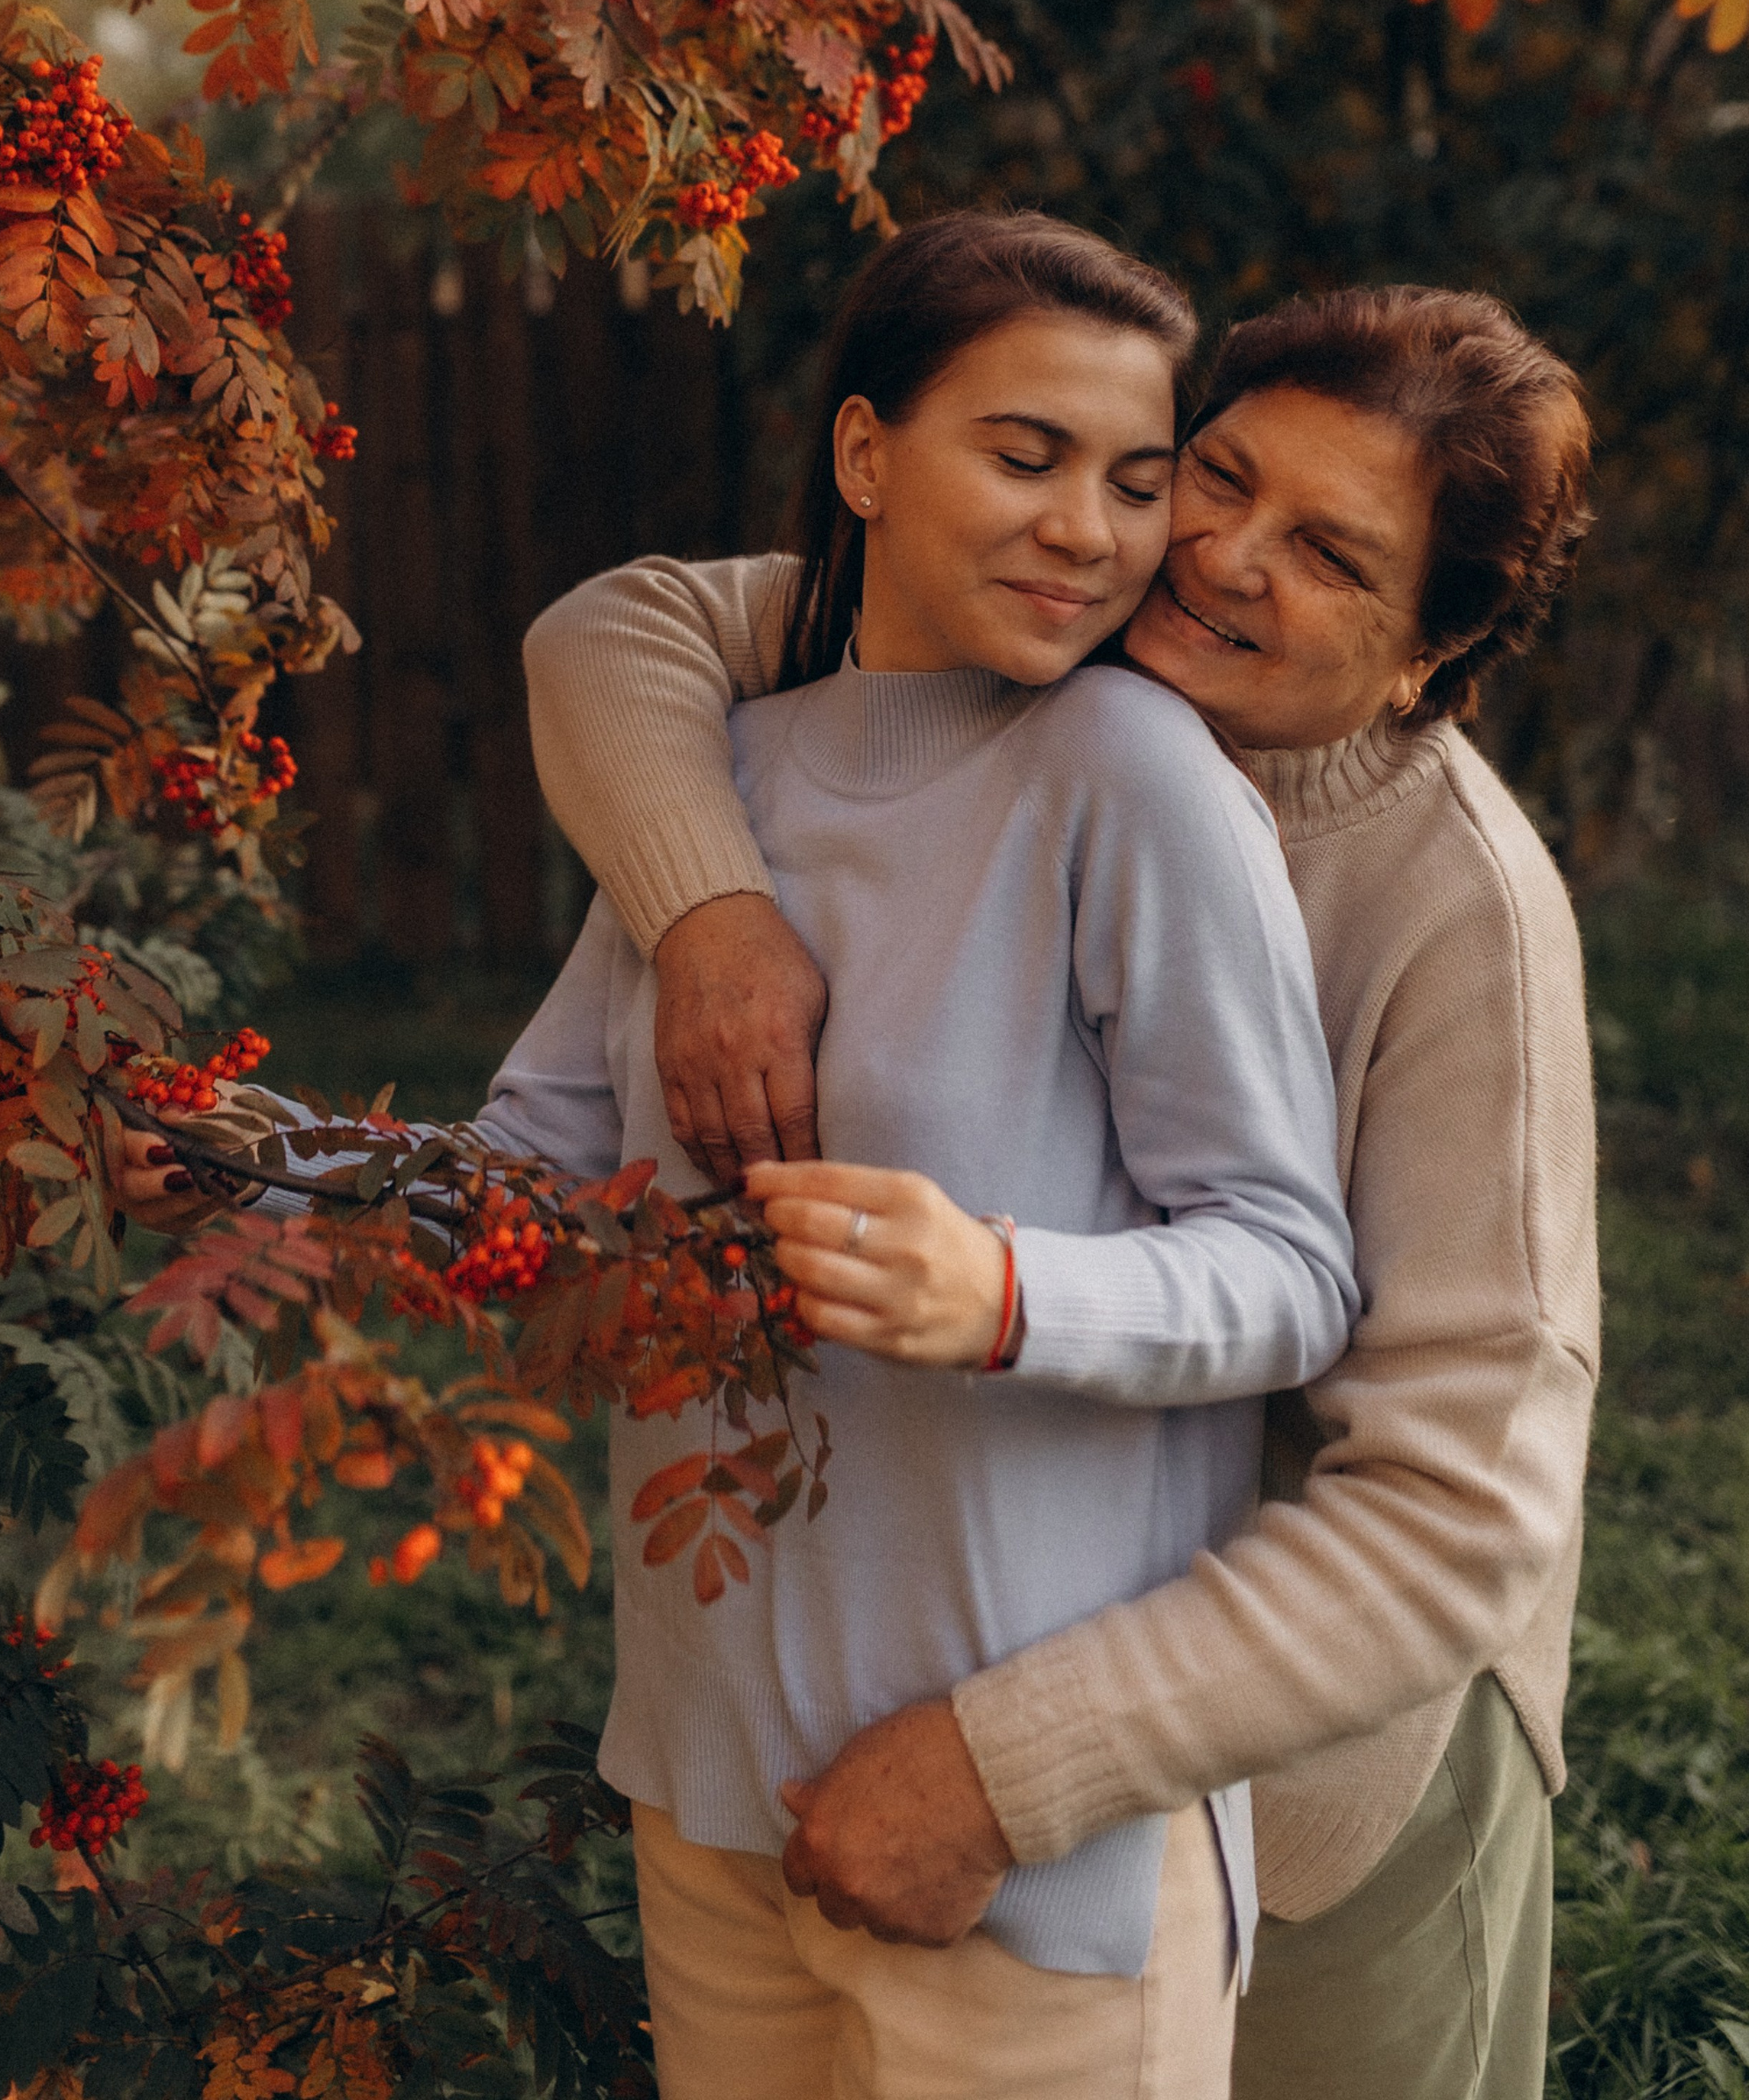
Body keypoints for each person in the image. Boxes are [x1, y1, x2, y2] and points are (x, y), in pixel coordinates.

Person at [130, 211, 1357, 2100]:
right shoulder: (720, 789)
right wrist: (246, 1167)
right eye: (1019, 455)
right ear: (865, 457)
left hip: (1016, 1848)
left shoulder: (1127, 780)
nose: (1084, 529)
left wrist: (1007, 1289)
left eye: (1128, 482)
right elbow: (541, 1175)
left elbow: (1289, 1268)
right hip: (711, 1789)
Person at [518, 273, 1600, 2100]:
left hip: (1314, 1737)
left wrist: (1010, 1770)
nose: (1221, 559)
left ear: (1425, 656)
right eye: (1219, 477)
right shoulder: (1041, 630)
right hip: (911, 1639)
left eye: (1330, 556)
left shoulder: (1454, 915)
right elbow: (615, 635)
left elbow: (1453, 1506)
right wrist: (708, 908)